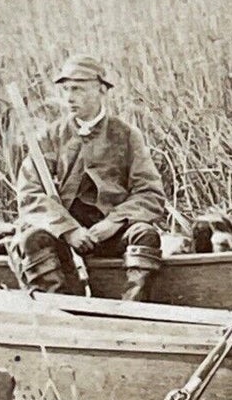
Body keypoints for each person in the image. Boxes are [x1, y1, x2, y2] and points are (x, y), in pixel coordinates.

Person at [11, 56, 168, 302]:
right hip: (63, 235)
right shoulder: (50, 136)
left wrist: (114, 222)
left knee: (145, 234)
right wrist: (68, 229)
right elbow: (30, 192)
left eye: (78, 89)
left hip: (112, 232)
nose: (69, 97)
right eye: (66, 89)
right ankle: (61, 309)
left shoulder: (126, 136)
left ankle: (133, 311)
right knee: (32, 239)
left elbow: (150, 193)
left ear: (101, 90)